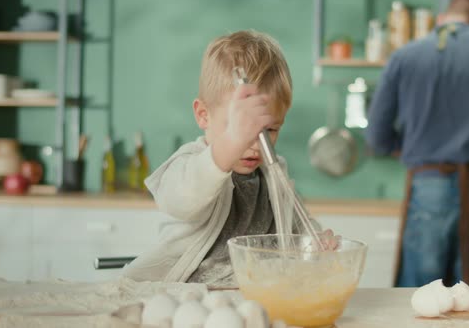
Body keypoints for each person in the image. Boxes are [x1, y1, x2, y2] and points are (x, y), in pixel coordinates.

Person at [123, 30, 332, 287]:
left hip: (253, 295)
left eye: (270, 130)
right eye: (242, 128)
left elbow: (296, 227)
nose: (256, 143)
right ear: (203, 115)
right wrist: (231, 142)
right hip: (186, 295)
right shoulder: (191, 164)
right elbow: (181, 200)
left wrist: (315, 242)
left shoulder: (274, 175)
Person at [366, 0, 469, 287]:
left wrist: (404, 149)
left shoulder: (404, 56)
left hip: (427, 185)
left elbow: (377, 135)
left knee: (420, 295)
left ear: (441, 18)